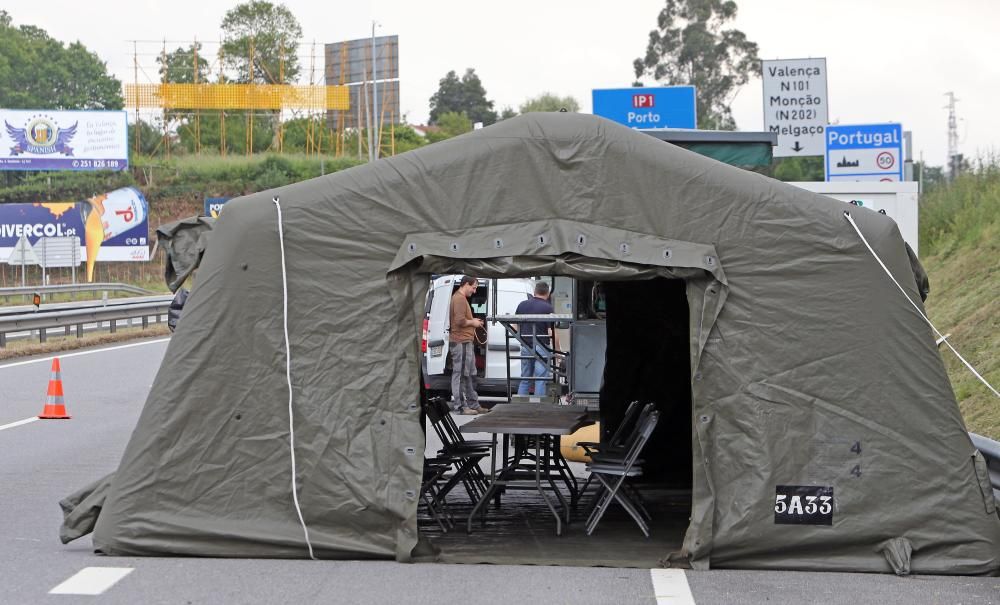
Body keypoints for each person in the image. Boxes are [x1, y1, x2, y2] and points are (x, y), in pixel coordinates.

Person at [449, 276, 487, 415]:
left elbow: (461, 319)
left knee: (470, 374)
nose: (475, 290)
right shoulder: (459, 299)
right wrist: (473, 323)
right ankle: (460, 406)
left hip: (465, 341)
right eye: (474, 287)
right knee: (461, 374)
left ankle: (473, 404)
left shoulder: (461, 299)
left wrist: (472, 320)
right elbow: (459, 321)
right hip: (461, 342)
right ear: (466, 284)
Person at [515, 281, 558, 397]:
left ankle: (520, 406)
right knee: (541, 379)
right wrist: (557, 351)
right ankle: (538, 407)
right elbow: (551, 332)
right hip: (542, 346)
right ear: (548, 293)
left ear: (534, 292)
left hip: (525, 345)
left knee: (525, 378)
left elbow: (515, 326)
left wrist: (522, 340)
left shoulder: (522, 305)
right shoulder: (548, 307)